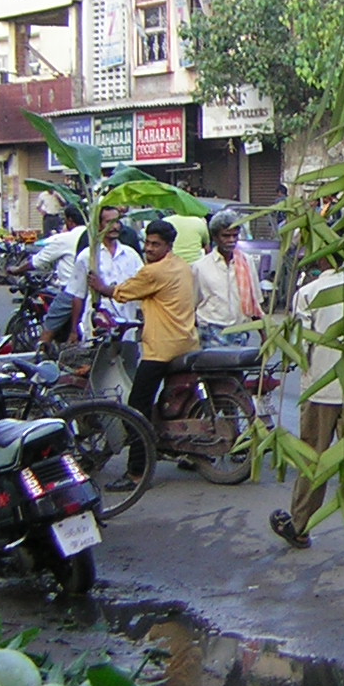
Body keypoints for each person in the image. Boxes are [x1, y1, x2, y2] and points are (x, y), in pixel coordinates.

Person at [269, 260, 344, 567]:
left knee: (313, 458)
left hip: (321, 390)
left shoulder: (308, 292)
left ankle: (300, 526)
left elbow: (299, 345)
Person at [86, 219, 199, 490]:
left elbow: (122, 292)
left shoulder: (153, 272)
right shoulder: (182, 266)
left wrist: (100, 287)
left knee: (137, 407)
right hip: (187, 342)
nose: (149, 249)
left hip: (161, 348)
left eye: (155, 244)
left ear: (168, 246)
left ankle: (137, 471)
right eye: (147, 243)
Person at [67, 205, 144, 336]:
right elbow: (78, 295)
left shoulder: (131, 255)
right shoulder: (87, 256)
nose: (114, 227)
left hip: (127, 325)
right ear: (98, 225)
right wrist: (74, 330)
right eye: (108, 222)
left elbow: (142, 286)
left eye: (116, 222)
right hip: (97, 327)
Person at [193, 210, 264, 347]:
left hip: (240, 332)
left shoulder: (246, 262)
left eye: (234, 235)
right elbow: (192, 304)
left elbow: (254, 302)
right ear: (215, 237)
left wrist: (264, 335)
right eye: (226, 236)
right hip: (210, 331)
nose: (231, 240)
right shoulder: (200, 266)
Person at [23, 205, 86, 345]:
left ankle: (42, 351)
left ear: (70, 220)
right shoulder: (92, 236)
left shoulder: (65, 238)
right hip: (91, 290)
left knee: (49, 325)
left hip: (72, 290)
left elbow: (38, 261)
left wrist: (16, 269)